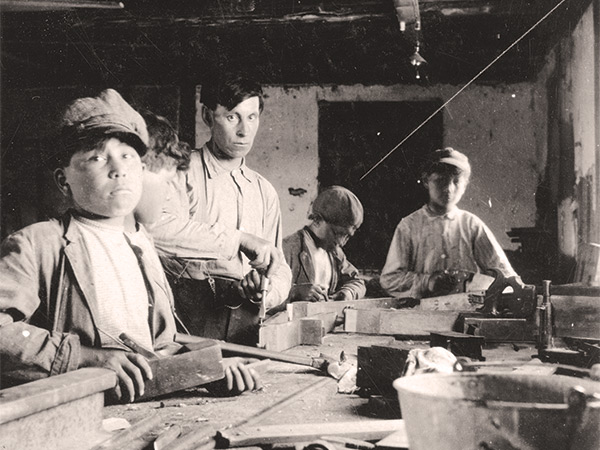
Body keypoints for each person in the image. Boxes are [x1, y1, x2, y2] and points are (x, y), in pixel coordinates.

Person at [0, 90, 258, 401]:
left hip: (141, 413)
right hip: (78, 418)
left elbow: (156, 350)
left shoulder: (140, 244)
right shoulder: (37, 244)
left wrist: (207, 371)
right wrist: (87, 357)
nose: (118, 168)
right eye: (97, 157)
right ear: (62, 179)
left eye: (128, 156)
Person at [148, 74, 291, 344]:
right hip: (189, 323)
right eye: (232, 117)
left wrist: (265, 290)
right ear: (207, 115)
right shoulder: (179, 171)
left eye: (252, 117)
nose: (244, 130)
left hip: (246, 324)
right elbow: (154, 230)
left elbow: (279, 265)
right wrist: (237, 239)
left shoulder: (264, 191)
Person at [380, 147, 520, 299]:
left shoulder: (471, 225)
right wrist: (426, 282)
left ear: (465, 185)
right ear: (426, 181)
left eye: (456, 181)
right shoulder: (409, 226)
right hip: (421, 312)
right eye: (441, 180)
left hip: (467, 309)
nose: (448, 189)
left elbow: (504, 275)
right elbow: (389, 280)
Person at [283, 186, 366, 303]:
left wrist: (347, 293)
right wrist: (295, 293)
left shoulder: (334, 252)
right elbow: (266, 296)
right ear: (317, 220)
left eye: (347, 236)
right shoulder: (288, 248)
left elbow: (357, 282)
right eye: (337, 233)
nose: (341, 243)